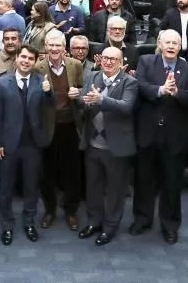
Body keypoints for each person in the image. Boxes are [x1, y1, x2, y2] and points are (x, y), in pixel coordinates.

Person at [130, 29, 188, 243]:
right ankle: (142, 219)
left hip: (175, 136)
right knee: (144, 181)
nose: (171, 46)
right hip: (147, 133)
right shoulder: (145, 61)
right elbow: (140, 86)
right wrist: (161, 90)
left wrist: (177, 92)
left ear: (180, 47)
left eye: (175, 43)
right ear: (159, 44)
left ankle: (170, 224)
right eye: (167, 42)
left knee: (172, 183)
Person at [76, 46, 138, 246]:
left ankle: (110, 227)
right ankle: (94, 221)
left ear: (121, 62)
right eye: (105, 58)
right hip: (93, 144)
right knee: (92, 187)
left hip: (116, 148)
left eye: (113, 59)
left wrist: (101, 99)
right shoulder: (92, 77)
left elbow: (127, 107)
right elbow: (83, 102)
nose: (108, 62)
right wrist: (84, 100)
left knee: (115, 191)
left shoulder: (130, 82)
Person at [0, 44, 53, 246]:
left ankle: (29, 222)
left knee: (31, 187)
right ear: (17, 58)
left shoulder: (41, 81)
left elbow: (50, 109)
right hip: (9, 144)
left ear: (35, 62)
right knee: (6, 188)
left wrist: (48, 93)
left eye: (30, 59)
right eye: (23, 57)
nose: (26, 61)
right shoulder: (2, 83)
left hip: (33, 144)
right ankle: (7, 225)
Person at [34, 29, 85, 231]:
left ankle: (71, 211)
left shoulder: (75, 65)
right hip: (48, 127)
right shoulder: (37, 68)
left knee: (72, 171)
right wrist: (42, 92)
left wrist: (77, 93)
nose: (55, 49)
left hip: (70, 125)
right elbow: (33, 100)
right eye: (51, 45)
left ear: (65, 48)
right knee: (47, 172)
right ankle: (50, 210)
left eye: (58, 46)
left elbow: (81, 91)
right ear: (46, 47)